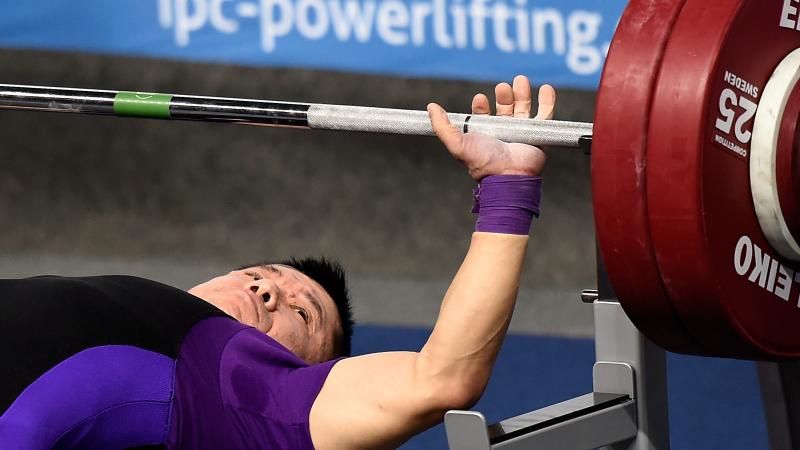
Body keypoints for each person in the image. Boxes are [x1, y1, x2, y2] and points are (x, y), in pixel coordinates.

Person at [0, 75, 554, 449]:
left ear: (314, 381)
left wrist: (507, 186)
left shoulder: (249, 400)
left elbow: (441, 379)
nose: (267, 291)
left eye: (302, 313)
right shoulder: (136, 313)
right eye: (258, 274)